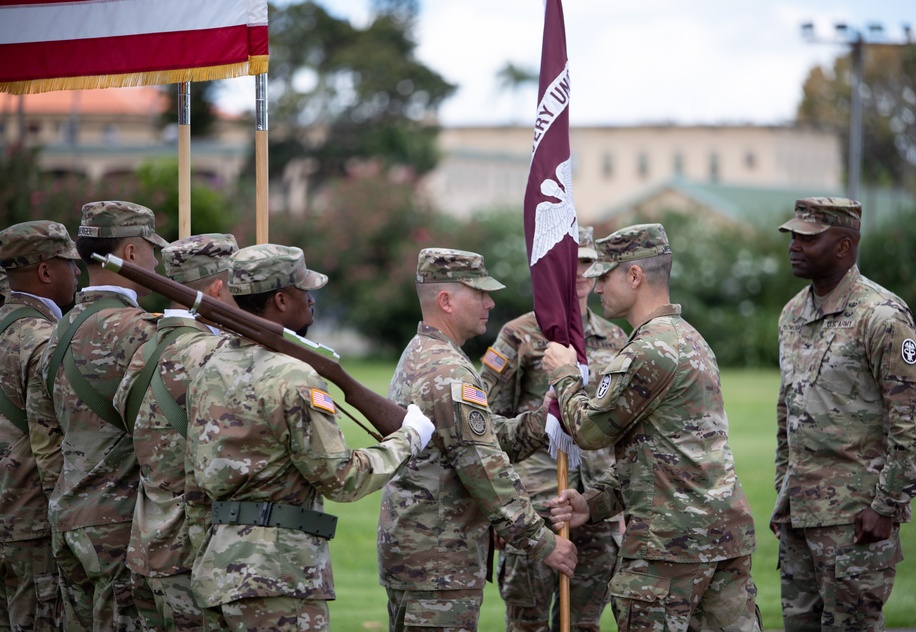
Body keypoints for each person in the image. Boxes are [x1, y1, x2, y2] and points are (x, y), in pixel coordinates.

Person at [186, 244, 435, 631]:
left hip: (218, 566)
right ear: (281, 300)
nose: (312, 299)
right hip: (280, 574)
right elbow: (343, 479)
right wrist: (409, 438)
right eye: (305, 290)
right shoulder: (293, 376)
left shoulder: (209, 367)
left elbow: (195, 480)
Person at [544, 223, 760, 632]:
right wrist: (595, 504)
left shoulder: (648, 350)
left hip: (670, 548)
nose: (596, 286)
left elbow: (590, 432)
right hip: (718, 537)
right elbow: (662, 454)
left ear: (635, 276)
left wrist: (565, 375)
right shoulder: (689, 338)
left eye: (604, 276)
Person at [377, 247, 577, 632]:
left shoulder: (425, 353)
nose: (490, 301)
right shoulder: (448, 369)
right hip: (438, 564)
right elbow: (486, 471)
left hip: (422, 557)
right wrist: (544, 542)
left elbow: (480, 437)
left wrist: (543, 421)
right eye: (479, 292)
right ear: (446, 300)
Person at [769, 197, 916, 632]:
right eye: (793, 236)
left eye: (808, 238)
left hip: (856, 521)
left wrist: (888, 504)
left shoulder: (881, 316)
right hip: (799, 516)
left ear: (844, 247)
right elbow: (787, 411)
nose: (794, 246)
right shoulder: (792, 314)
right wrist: (783, 491)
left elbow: (914, 420)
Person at [479, 227, 627, 632]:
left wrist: (622, 506)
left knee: (584, 624)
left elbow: (624, 428)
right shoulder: (519, 334)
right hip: (535, 507)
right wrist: (500, 513)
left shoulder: (615, 338)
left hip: (596, 506)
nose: (579, 273)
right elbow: (485, 426)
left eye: (587, 263)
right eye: (570, 263)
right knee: (527, 624)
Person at [34, 200, 167, 630]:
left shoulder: (55, 332)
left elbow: (45, 437)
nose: (156, 260)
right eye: (151, 249)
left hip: (68, 514)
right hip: (119, 524)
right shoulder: (140, 329)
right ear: (130, 254)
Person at [112, 233, 239, 630]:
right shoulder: (214, 356)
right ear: (218, 289)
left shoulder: (144, 349)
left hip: (147, 546)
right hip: (195, 552)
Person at [0, 221, 81, 631]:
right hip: (30, 525)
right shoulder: (44, 339)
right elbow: (53, 442)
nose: (79, 272)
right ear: (46, 272)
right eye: (70, 263)